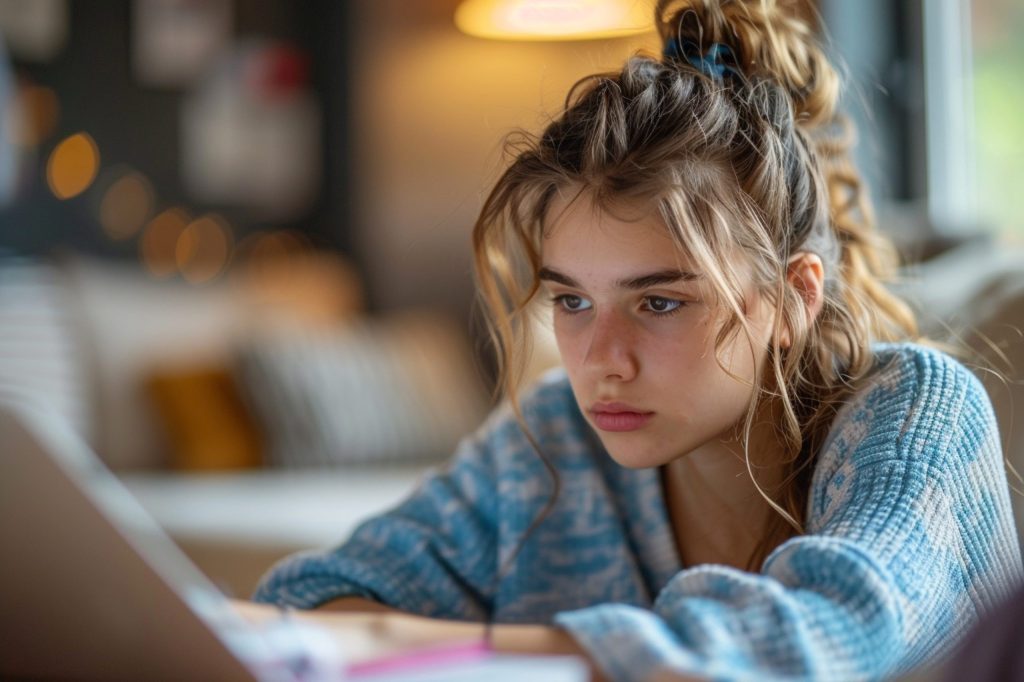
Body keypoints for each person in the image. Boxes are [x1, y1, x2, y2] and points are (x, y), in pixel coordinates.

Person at [240, 0, 1023, 679]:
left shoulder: (918, 414)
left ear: (792, 298)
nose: (600, 361)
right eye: (573, 300)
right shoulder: (556, 439)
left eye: (658, 302)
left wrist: (399, 638)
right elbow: (307, 599)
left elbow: (827, 631)